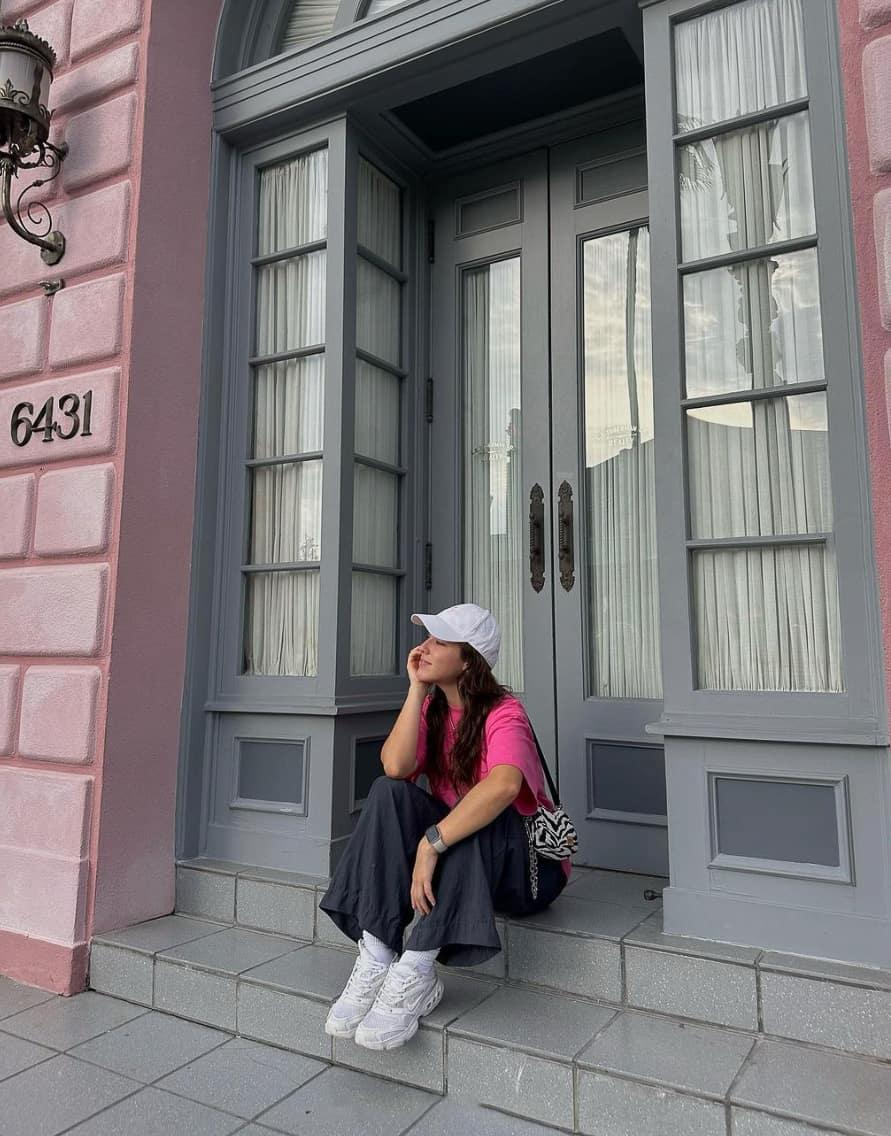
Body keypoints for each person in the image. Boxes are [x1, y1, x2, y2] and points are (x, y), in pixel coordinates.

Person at [318, 602, 571, 1052]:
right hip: (470, 858)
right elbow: (396, 767)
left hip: (529, 874)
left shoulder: (504, 711)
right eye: (428, 638)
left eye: (439, 641)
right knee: (387, 792)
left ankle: (416, 967)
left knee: (483, 808)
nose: (424, 648)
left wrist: (431, 845)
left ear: (469, 659)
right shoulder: (434, 709)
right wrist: (415, 689)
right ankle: (378, 950)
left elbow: (505, 785)